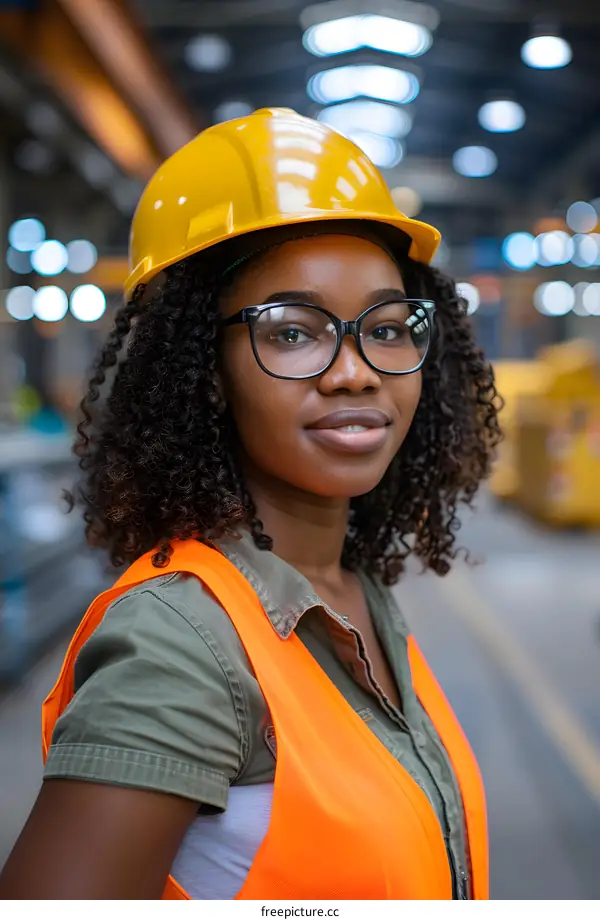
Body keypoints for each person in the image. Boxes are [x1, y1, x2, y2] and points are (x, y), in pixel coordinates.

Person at [0, 108, 501, 900]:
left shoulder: (351, 590)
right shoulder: (181, 647)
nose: (356, 371)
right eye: (294, 333)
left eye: (388, 325)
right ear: (201, 368)